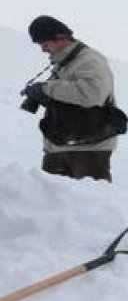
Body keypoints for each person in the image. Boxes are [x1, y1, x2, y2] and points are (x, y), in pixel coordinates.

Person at [20, 15, 122, 182]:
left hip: (89, 149)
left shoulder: (90, 59)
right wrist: (41, 96)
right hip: (59, 146)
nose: (43, 49)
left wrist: (46, 88)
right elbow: (71, 100)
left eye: (45, 43)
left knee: (90, 204)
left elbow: (92, 94)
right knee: (49, 206)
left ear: (60, 38)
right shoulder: (65, 62)